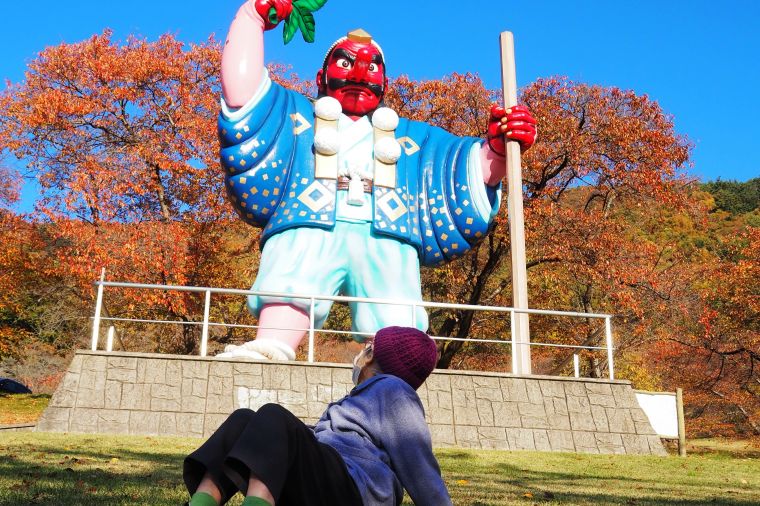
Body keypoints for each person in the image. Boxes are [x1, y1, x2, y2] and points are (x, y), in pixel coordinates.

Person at [217, 0, 537, 360]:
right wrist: (251, 18)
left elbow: (459, 168)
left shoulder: (413, 139)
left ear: (384, 83)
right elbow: (245, 96)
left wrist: (497, 148)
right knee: (292, 277)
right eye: (346, 63)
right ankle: (273, 345)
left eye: (372, 68)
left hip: (389, 228)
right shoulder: (295, 116)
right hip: (309, 218)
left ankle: (390, 366)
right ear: (321, 78)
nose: (359, 74)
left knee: (395, 309)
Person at [184, 326, 452, 505]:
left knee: (273, 416)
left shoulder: (394, 392)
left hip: (353, 491)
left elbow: (420, 466)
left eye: (367, 346)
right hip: (325, 484)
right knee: (243, 419)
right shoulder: (361, 396)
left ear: (371, 354)